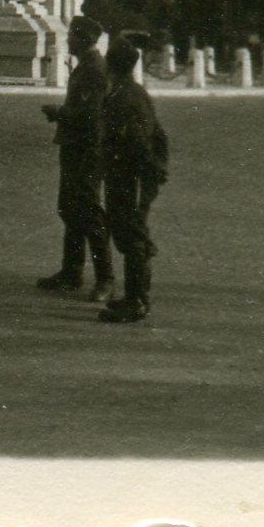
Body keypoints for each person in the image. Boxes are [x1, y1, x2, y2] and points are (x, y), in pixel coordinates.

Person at [37, 17, 114, 296]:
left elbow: (90, 114)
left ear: (82, 39)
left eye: (71, 35)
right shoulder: (89, 66)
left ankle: (105, 278)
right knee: (70, 209)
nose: (68, 40)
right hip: (77, 147)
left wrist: (59, 113)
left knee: (90, 212)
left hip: (88, 150)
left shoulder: (94, 69)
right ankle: (71, 272)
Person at [97, 35, 170, 324]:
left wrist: (149, 173)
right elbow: (159, 136)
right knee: (129, 231)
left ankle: (137, 300)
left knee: (132, 234)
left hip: (130, 175)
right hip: (127, 174)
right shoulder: (131, 91)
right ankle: (134, 295)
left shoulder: (125, 97)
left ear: (110, 64)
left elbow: (140, 142)